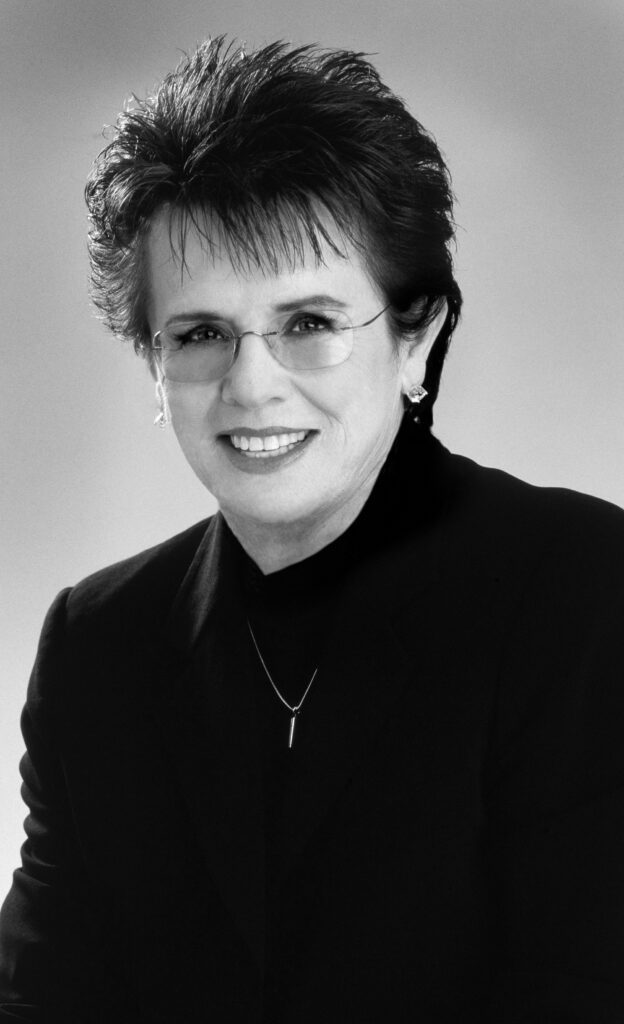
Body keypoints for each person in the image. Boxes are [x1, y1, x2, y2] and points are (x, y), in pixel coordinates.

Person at [1, 36, 623, 1023]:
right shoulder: (96, 648)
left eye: (310, 322)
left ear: (417, 339)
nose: (251, 385)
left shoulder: (583, 592)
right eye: (200, 333)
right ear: (153, 366)